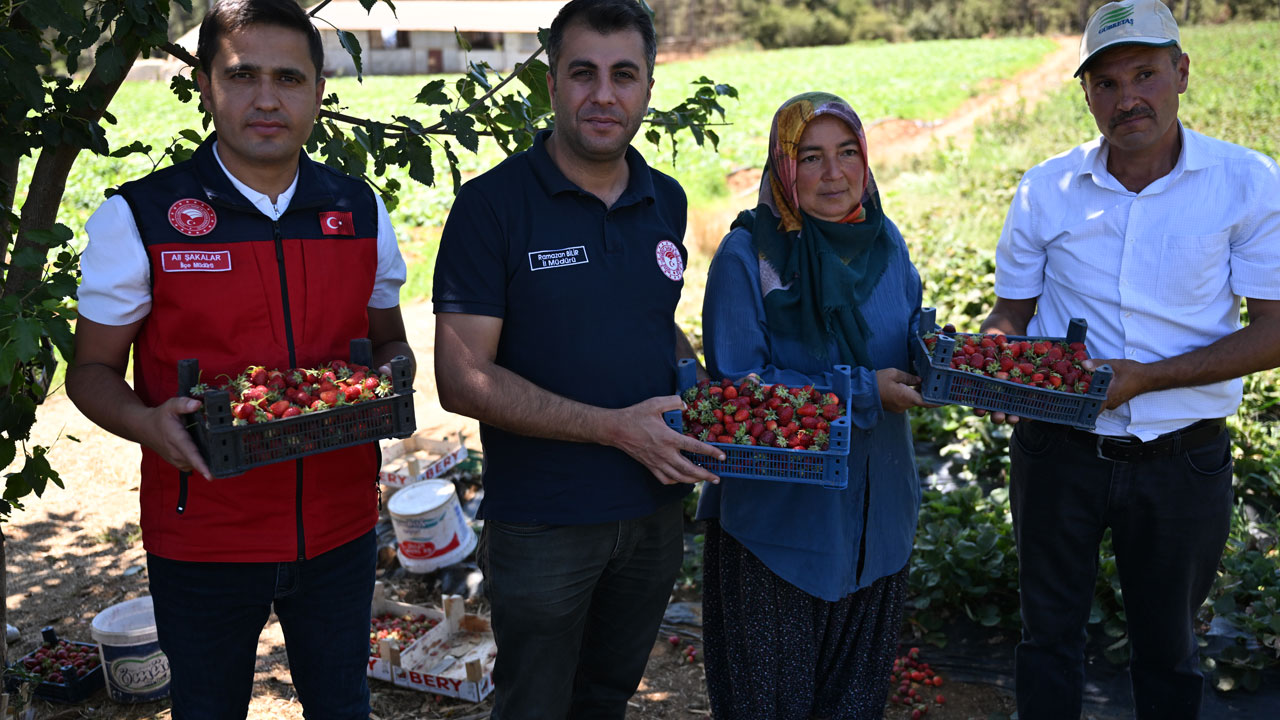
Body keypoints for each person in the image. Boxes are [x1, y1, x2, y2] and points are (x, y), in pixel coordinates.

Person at [66, 1, 413, 717]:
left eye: (289, 77)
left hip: (340, 526)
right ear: (204, 84)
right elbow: (90, 371)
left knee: (342, 704)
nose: (265, 98)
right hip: (203, 533)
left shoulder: (358, 213)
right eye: (241, 74)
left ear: (319, 90)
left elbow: (388, 341)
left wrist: (394, 372)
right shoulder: (142, 218)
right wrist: (143, 421)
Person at [979, 1, 1280, 717]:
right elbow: (1011, 315)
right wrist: (992, 358)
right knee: (1046, 639)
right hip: (1057, 450)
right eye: (1106, 84)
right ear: (1086, 94)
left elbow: (1274, 329)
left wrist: (1150, 378)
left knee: (1169, 648)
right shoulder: (1044, 188)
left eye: (1145, 73)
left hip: (1182, 461)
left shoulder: (1245, 181)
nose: (1127, 99)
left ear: (1181, 72)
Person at [430, 0, 722, 717]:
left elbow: (654, 323)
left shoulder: (667, 200)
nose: (604, 94)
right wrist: (615, 427)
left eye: (624, 74)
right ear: (552, 82)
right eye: (582, 72)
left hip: (655, 509)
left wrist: (707, 389)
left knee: (607, 696)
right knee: (534, 702)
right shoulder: (492, 206)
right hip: (546, 520)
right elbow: (460, 378)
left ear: (649, 85)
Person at [697, 92, 930, 719]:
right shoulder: (750, 259)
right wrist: (861, 392)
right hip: (781, 542)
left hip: (878, 530)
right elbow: (739, 396)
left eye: (848, 153)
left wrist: (939, 364)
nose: (834, 174)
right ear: (783, 168)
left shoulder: (886, 244)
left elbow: (908, 338)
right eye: (812, 157)